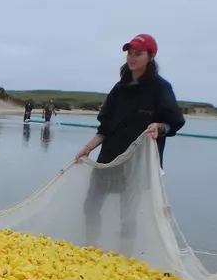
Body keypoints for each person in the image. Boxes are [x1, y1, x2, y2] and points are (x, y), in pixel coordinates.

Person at [74, 34, 185, 249]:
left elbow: (174, 123)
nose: (132, 58)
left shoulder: (161, 88)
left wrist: (158, 127)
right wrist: (86, 149)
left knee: (129, 210)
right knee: (91, 203)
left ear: (150, 56)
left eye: (138, 54)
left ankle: (125, 256)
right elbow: (105, 129)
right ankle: (89, 246)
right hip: (109, 158)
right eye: (130, 53)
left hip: (139, 162)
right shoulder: (119, 88)